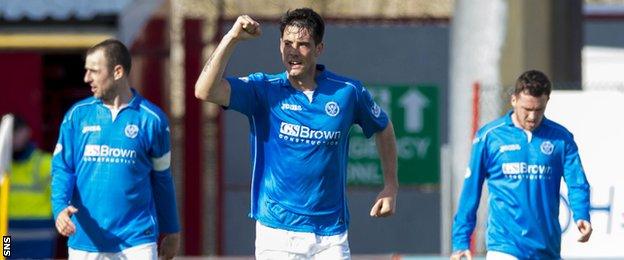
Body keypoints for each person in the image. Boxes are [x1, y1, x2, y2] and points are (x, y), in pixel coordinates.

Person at [195, 8, 398, 259]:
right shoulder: (264, 89)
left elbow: (383, 127)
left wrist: (390, 187)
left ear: (319, 49)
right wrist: (232, 38)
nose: (293, 51)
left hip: (331, 234)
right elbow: (204, 90)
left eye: (303, 45)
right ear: (280, 45)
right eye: (287, 43)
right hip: (276, 232)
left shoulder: (347, 92)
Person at [51, 39, 180, 259]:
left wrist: (171, 229)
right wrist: (60, 208)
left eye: (93, 71)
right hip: (86, 240)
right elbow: (63, 169)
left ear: (117, 71)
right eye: (86, 71)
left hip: (137, 241)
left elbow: (162, 178)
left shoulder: (152, 120)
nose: (86, 78)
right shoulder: (77, 115)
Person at [451, 70, 592, 260]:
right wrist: (461, 241)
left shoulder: (561, 139)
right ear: (514, 100)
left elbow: (577, 183)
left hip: (547, 248)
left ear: (547, 102)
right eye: (527, 109)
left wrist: (581, 214)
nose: (532, 117)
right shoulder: (490, 137)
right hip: (505, 246)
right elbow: (471, 191)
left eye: (538, 110)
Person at [7, 115, 56, 258]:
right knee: (4, 256)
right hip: (6, 235)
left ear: (26, 132)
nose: (12, 137)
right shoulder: (3, 166)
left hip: (40, 236)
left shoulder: (46, 163)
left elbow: (60, 198)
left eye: (16, 131)